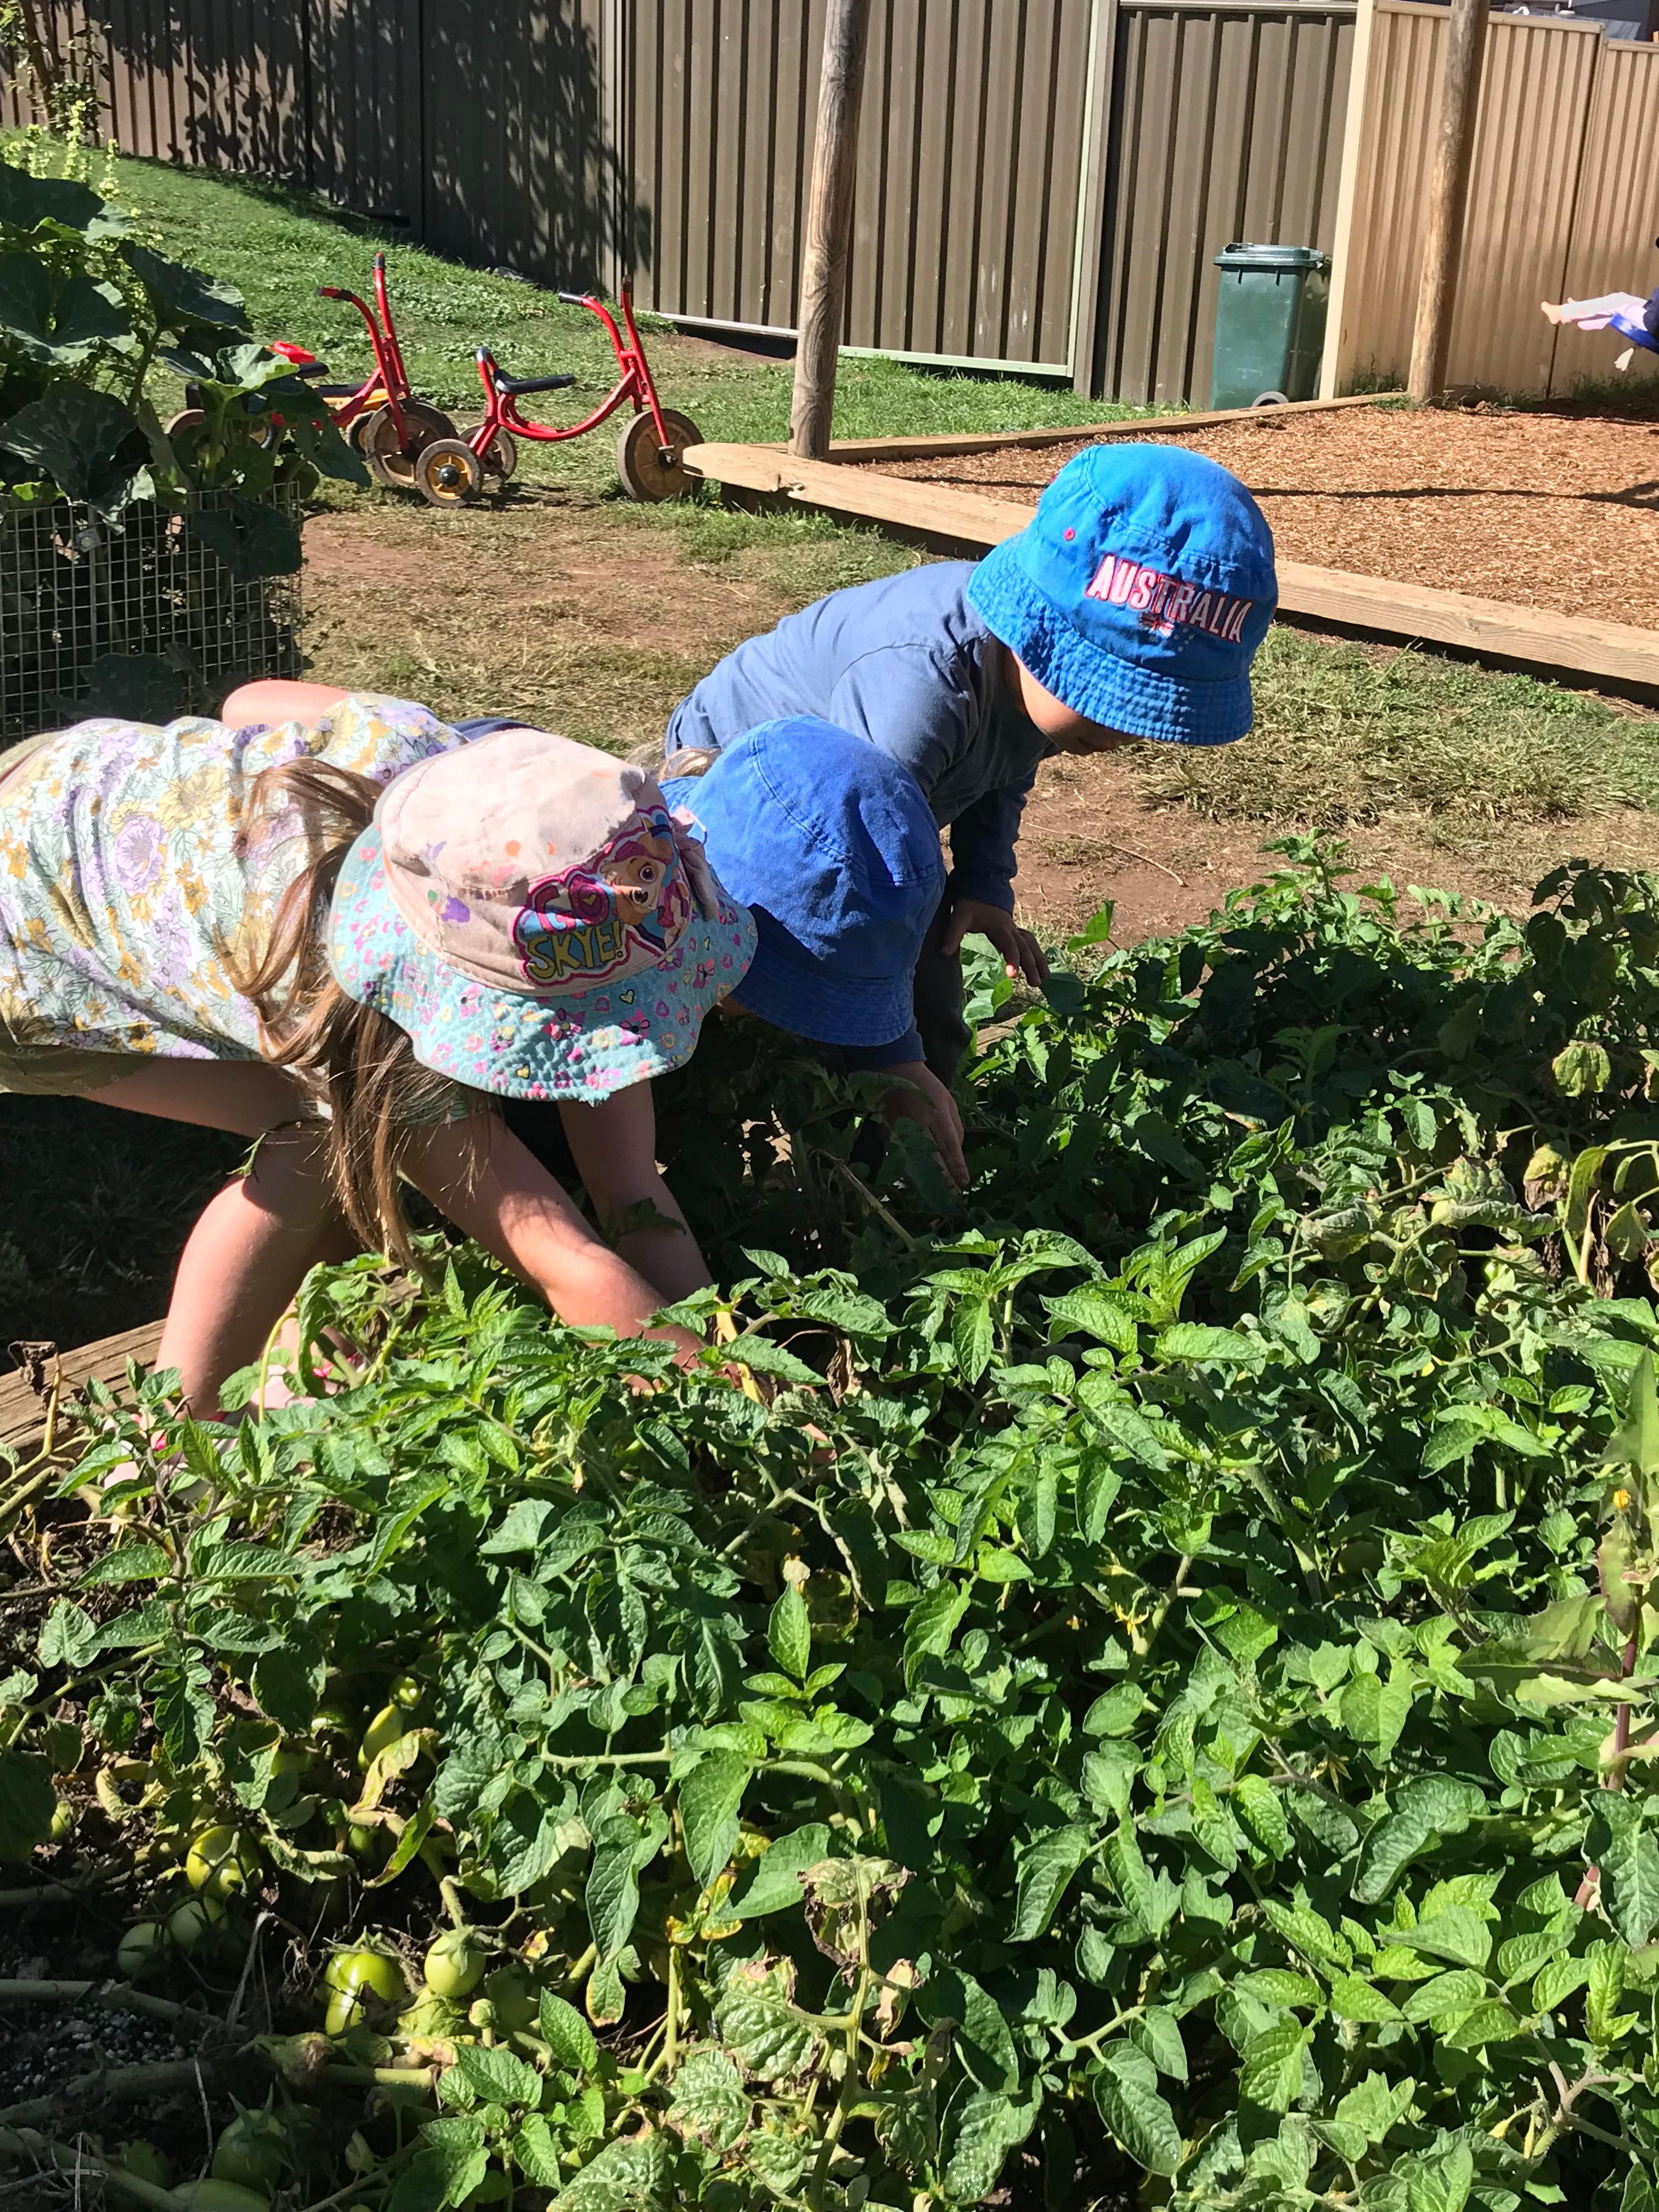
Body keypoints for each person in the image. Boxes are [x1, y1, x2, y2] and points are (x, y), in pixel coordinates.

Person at [0, 691, 755, 1417]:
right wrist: (758, 1416)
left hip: (70, 776)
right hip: (25, 939)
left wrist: (719, 1338)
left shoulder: (427, 758)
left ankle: (303, 1347)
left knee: (343, 1139)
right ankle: (179, 1433)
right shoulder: (343, 1014)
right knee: (318, 1136)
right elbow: (561, 1257)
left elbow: (246, 703)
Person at [661, 442, 1278, 1079]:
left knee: (913, 976)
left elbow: (1007, 760)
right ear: (1038, 633)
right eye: (1113, 695)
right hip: (742, 789)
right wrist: (896, 1060)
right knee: (736, 964)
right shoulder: (919, 690)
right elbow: (867, 873)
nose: (1132, 730)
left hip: (873, 798)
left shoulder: (1027, 681)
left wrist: (984, 881)